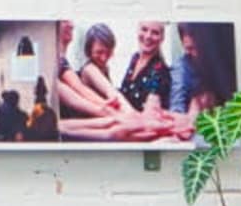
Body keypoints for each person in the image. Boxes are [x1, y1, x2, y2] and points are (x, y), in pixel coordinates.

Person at [52, 24, 184, 141]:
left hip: (126, 121)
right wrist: (113, 111)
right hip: (115, 120)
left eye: (155, 32)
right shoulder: (91, 68)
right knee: (114, 127)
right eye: (144, 29)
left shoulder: (158, 68)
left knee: (116, 127)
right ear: (89, 51)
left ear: (162, 38)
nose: (104, 57)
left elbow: (147, 105)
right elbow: (82, 91)